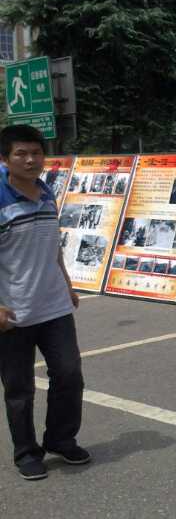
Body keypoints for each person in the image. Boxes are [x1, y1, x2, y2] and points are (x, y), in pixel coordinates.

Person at [0, 125, 88, 480]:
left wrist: (67, 285)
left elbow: (52, 246)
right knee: (19, 388)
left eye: (36, 153)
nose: (30, 160)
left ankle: (61, 439)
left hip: (54, 306)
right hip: (13, 312)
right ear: (5, 159)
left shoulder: (47, 191)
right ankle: (26, 453)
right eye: (20, 153)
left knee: (69, 374)